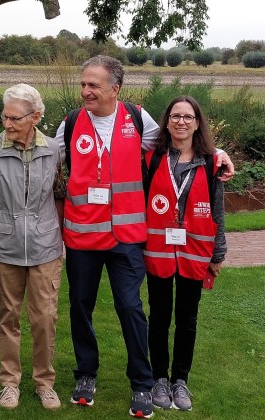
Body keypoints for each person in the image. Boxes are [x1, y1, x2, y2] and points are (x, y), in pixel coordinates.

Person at [54, 55, 235, 419]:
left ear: (114, 89)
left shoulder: (137, 120)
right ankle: (86, 374)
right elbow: (45, 158)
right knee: (80, 307)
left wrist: (217, 152)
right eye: (84, 84)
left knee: (131, 308)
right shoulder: (71, 123)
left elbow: (178, 141)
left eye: (94, 85)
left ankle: (142, 381)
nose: (86, 91)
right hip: (83, 238)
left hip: (127, 238)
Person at [0, 84, 65, 411]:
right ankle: (9, 383)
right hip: (4, 245)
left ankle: (44, 383)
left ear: (35, 116)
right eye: (4, 116)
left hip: (45, 247)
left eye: (14, 118)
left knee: (44, 319)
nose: (7, 124)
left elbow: (64, 191)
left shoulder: (54, 150)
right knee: (7, 318)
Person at [144, 96, 227, 412]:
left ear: (196, 122)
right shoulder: (152, 159)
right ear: (166, 122)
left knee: (187, 320)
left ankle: (180, 380)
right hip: (159, 252)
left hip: (194, 252)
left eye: (187, 116)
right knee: (160, 318)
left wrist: (218, 254)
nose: (181, 121)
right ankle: (159, 379)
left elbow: (217, 210)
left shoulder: (212, 162)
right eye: (175, 116)